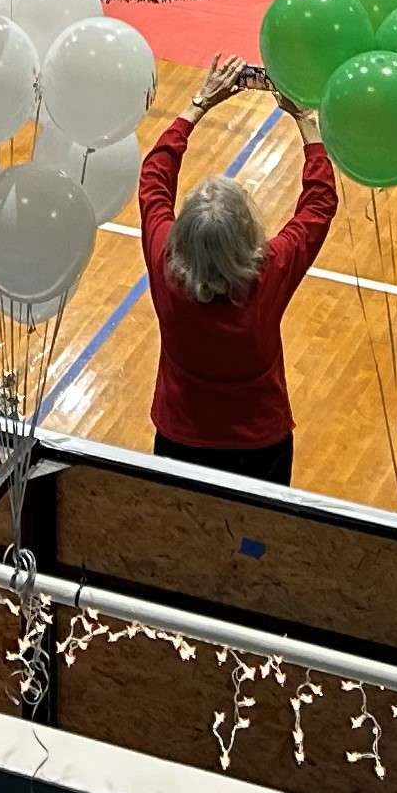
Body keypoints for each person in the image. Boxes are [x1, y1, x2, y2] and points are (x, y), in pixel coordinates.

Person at [136, 56, 337, 487]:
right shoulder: (269, 273)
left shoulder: (165, 265)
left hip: (179, 439)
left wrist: (198, 104)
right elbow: (319, 204)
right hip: (260, 447)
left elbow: (152, 179)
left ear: (183, 235)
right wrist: (306, 122)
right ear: (248, 234)